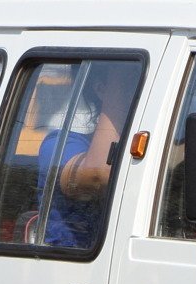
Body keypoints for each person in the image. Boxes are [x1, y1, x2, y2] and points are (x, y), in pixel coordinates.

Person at [33, 65, 143, 247]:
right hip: (69, 267)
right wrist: (119, 73)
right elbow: (97, 174)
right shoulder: (59, 144)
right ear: (101, 90)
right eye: (133, 85)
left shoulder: (152, 150)